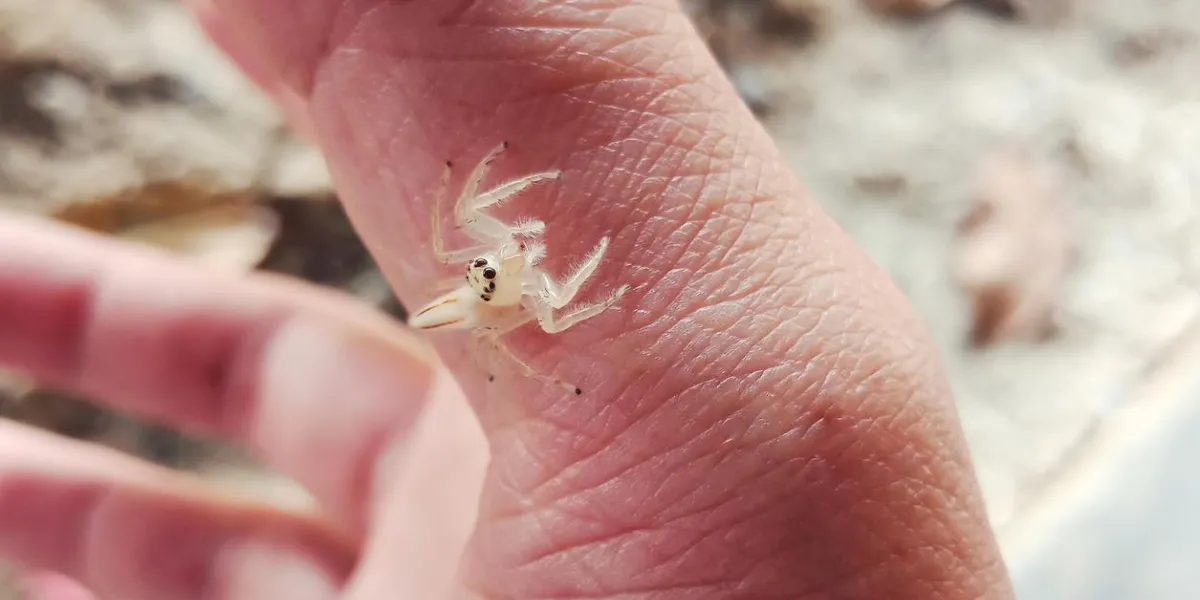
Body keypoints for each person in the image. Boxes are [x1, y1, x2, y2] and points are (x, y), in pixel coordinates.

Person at [0, 0, 1015, 598]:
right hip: (481, 304)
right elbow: (484, 267)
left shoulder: (497, 280)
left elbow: (505, 276)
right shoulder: (484, 284)